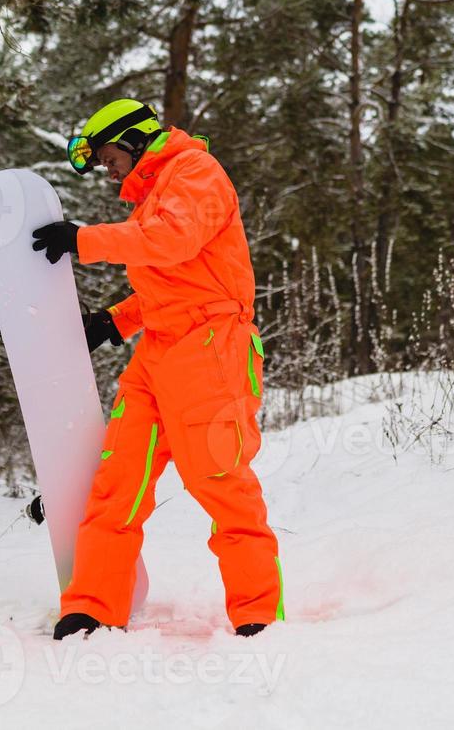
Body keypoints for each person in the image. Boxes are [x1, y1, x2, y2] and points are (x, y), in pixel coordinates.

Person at [28, 99, 284, 640]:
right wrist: (111, 322)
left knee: (220, 482)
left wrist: (83, 239)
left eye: (106, 156)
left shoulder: (196, 172)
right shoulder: (154, 195)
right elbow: (171, 281)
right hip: (157, 356)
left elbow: (173, 243)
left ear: (134, 139)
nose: (105, 169)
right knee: (116, 482)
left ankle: (258, 614)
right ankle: (93, 606)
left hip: (211, 351)